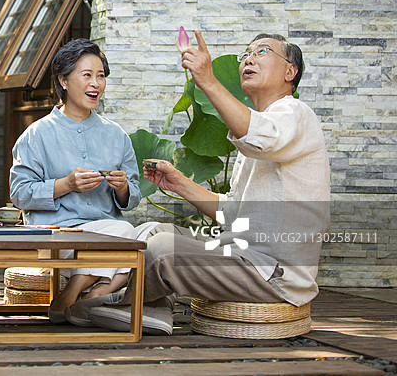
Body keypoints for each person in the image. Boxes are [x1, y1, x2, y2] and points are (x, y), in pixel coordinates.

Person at [71, 30, 331, 336]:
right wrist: (179, 183)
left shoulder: (294, 114)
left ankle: (128, 306)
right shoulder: (264, 125)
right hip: (244, 254)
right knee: (152, 231)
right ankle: (147, 304)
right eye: (245, 54)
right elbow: (233, 213)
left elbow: (258, 136)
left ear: (290, 71)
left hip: (273, 271)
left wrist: (206, 79)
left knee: (162, 251)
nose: (248, 58)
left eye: (262, 52)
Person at [9, 38, 152, 325]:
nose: (96, 84)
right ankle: (86, 289)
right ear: (63, 80)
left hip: (106, 236)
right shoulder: (36, 135)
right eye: (87, 75)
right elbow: (19, 193)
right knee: (126, 234)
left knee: (149, 237)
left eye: (101, 76)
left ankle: (87, 295)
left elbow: (133, 195)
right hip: (56, 235)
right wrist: (67, 184)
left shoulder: (116, 135)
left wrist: (123, 187)